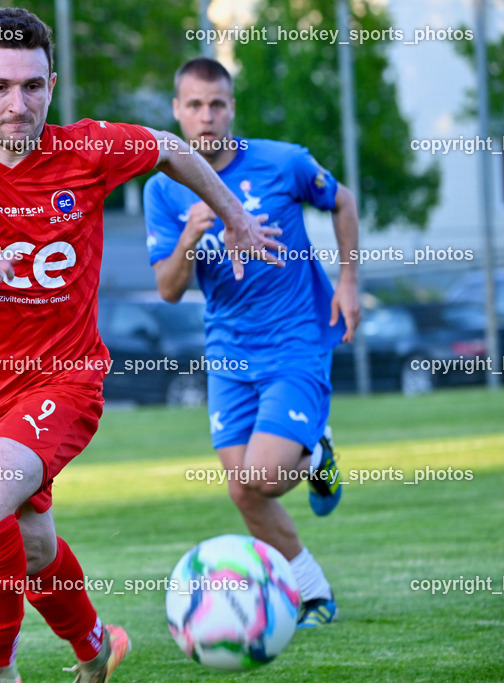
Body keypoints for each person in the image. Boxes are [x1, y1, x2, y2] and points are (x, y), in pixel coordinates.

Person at [0, 11, 282, 682]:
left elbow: (171, 149)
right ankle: (94, 647)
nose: (17, 103)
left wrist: (234, 216)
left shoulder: (88, 150)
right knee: (31, 550)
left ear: (51, 85)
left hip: (64, 380)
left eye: (32, 86)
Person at [143, 57, 361, 629]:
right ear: (177, 110)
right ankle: (313, 593)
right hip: (228, 351)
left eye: (217, 104)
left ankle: (314, 452)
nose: (206, 117)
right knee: (243, 489)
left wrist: (348, 280)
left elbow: (342, 200)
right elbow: (168, 290)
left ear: (232, 108)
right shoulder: (163, 189)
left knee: (263, 474)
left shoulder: (283, 162)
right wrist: (191, 234)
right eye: (195, 105)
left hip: (295, 339)